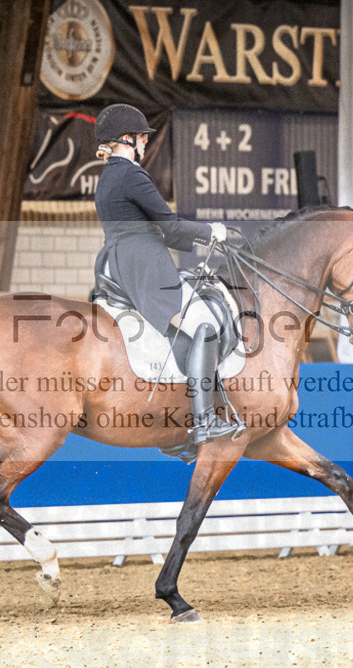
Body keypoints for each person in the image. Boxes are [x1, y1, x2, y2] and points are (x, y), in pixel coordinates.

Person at [92, 103, 240, 447]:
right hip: (142, 262)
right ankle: (203, 422)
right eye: (142, 138)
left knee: (174, 331)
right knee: (204, 323)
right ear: (128, 139)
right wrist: (211, 232)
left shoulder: (109, 176)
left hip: (116, 261)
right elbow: (170, 229)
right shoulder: (131, 174)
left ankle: (176, 430)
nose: (145, 145)